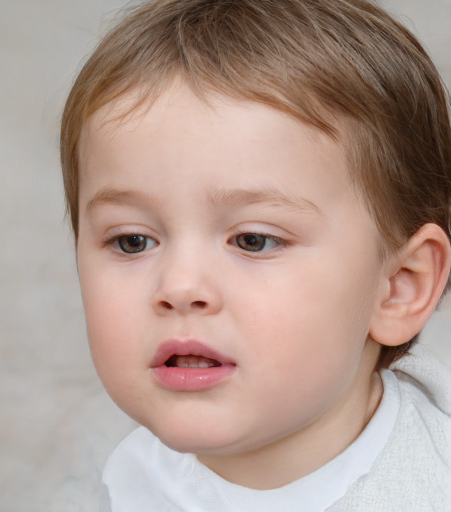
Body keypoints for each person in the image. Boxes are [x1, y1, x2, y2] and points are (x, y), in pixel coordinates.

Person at [60, 0, 451, 509]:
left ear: (400, 285)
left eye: (253, 240)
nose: (179, 286)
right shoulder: (127, 480)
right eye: (133, 241)